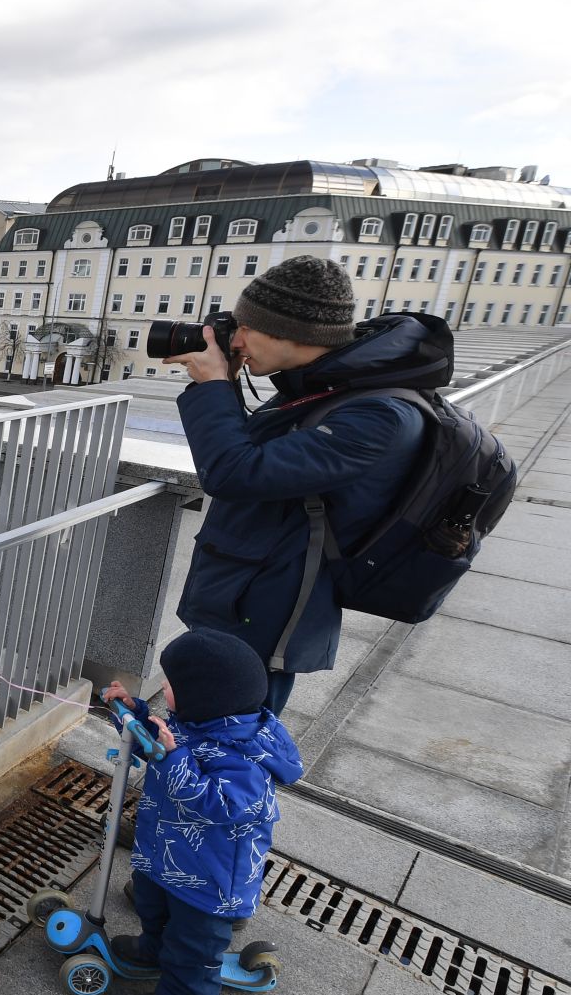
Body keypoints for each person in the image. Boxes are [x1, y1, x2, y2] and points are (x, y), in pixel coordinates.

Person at [165, 257, 428, 715]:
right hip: (241, 592)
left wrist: (212, 386)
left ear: (293, 332)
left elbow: (233, 473)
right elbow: (260, 460)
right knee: (197, 736)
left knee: (233, 748)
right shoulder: (322, 387)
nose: (236, 339)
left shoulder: (378, 415)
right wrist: (223, 384)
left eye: (247, 327)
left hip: (268, 613)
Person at [102, 629, 302, 995]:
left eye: (171, 684)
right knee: (153, 907)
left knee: (194, 942)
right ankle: (153, 948)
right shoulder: (198, 720)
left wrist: (174, 759)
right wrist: (134, 712)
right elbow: (158, 744)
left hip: (209, 877)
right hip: (168, 853)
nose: (165, 688)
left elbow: (220, 806)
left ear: (204, 693)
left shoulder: (246, 759)